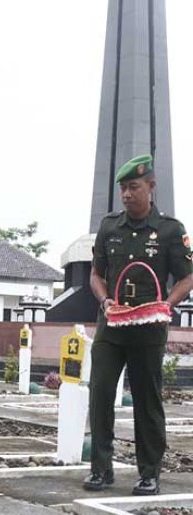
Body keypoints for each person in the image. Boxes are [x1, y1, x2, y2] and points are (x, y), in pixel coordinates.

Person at [84, 154, 193, 496]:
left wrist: (167, 304)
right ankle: (101, 470)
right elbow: (96, 274)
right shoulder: (109, 227)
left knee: (147, 401)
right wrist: (104, 300)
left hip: (148, 329)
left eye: (134, 187)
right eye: (123, 189)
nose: (127, 194)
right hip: (112, 327)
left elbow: (187, 277)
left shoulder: (170, 230)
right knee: (100, 394)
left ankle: (149, 473)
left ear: (151, 186)